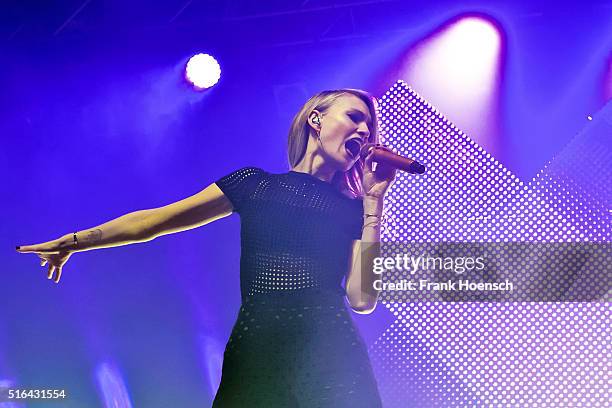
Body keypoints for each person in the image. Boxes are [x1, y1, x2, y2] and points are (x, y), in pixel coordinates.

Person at [16, 88, 396, 407]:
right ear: (316, 120)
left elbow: (362, 299)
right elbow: (154, 221)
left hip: (329, 348)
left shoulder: (351, 211)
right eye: (354, 117)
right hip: (257, 346)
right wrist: (76, 241)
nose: (365, 130)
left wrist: (373, 204)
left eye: (369, 125)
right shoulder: (254, 185)